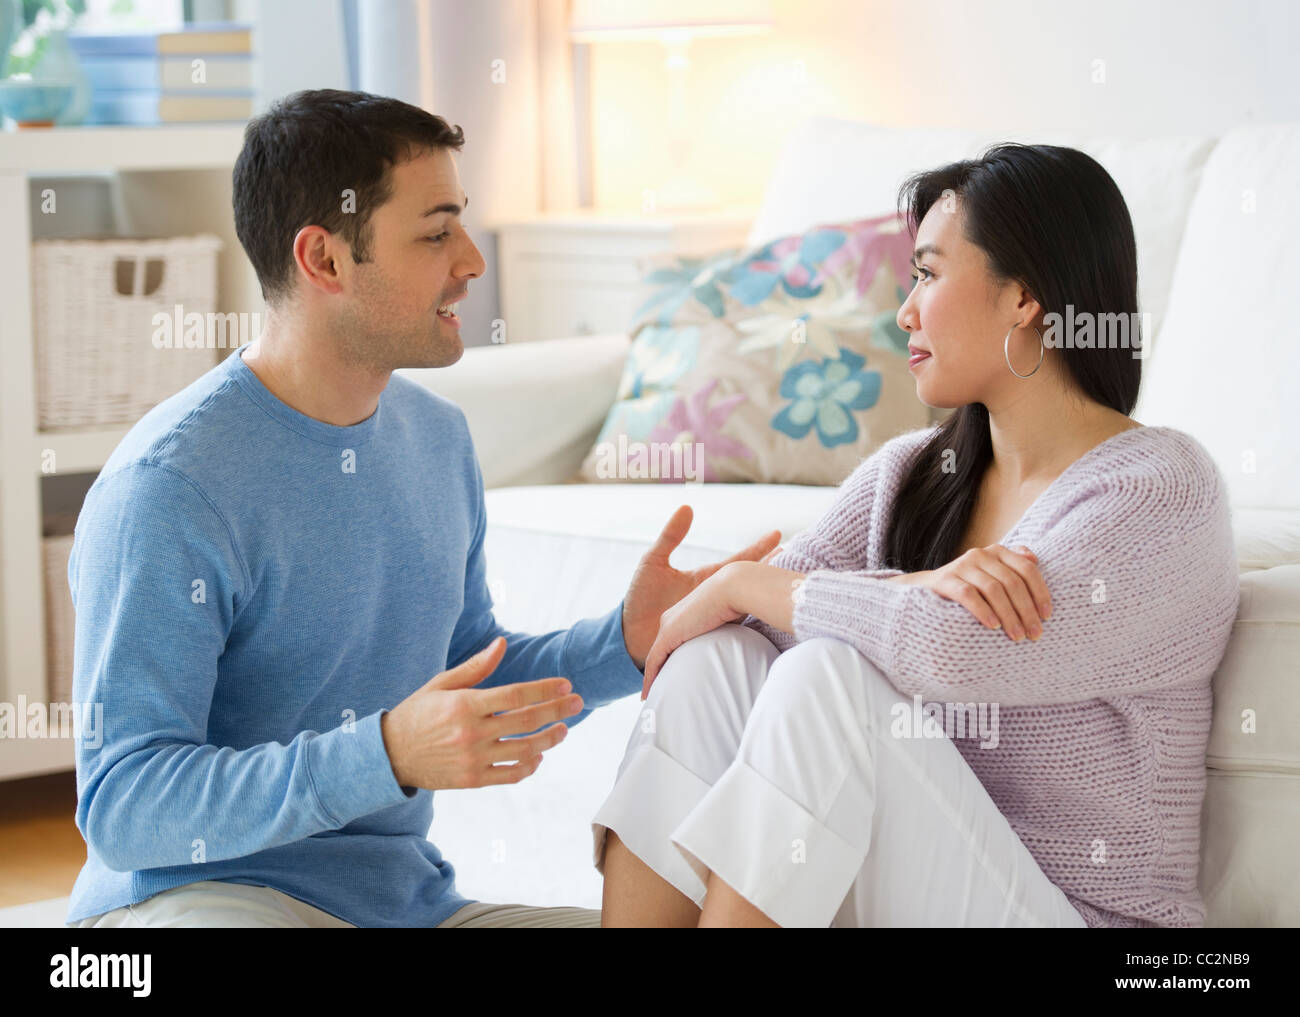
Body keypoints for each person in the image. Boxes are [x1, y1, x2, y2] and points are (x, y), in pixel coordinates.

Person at [64, 89, 778, 929]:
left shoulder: (436, 439)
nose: (473, 262)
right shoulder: (170, 486)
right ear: (325, 260)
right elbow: (126, 803)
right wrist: (386, 753)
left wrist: (626, 639)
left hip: (408, 908)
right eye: (436, 233)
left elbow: (469, 673)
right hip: (205, 901)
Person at [593, 143, 1240, 928]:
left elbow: (958, 648)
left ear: (1026, 295)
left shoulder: (1159, 491)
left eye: (929, 274)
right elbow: (755, 623)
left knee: (824, 677)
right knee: (714, 662)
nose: (905, 310)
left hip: (1082, 918)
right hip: (911, 891)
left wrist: (736, 581)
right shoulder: (911, 471)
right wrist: (900, 588)